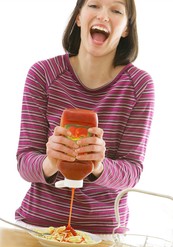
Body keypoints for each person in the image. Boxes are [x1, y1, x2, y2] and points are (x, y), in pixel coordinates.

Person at [15, 0, 154, 235]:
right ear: (78, 17)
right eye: (94, 5)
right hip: (37, 227)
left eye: (116, 10)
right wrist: (51, 161)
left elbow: (132, 173)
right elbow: (24, 162)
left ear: (127, 29)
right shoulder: (43, 75)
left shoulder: (139, 86)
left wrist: (98, 166)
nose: (104, 16)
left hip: (103, 235)